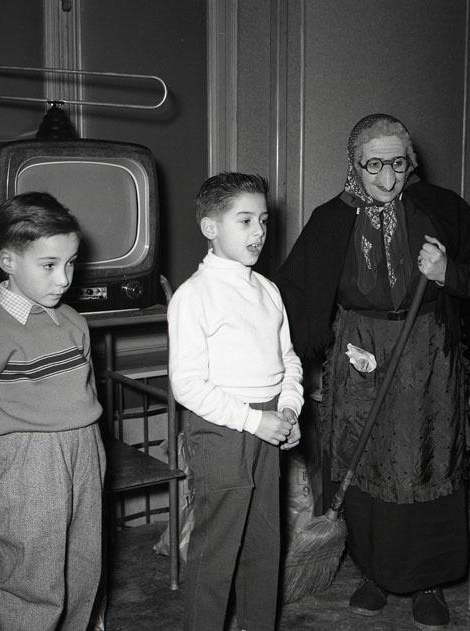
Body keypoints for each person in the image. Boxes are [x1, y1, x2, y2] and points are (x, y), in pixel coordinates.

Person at [274, 114, 470, 629]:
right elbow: (293, 293)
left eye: (397, 163)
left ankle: (429, 582)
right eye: (373, 165)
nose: (388, 178)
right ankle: (372, 573)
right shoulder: (331, 219)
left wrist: (447, 273)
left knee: (426, 461)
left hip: (427, 353)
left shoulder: (443, 209)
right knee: (363, 459)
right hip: (359, 352)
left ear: (410, 161)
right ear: (354, 164)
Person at [0, 191, 106, 631]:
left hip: (85, 452)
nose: (64, 279)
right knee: (33, 585)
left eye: (70, 263)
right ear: (8, 261)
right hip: (28, 464)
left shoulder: (73, 322)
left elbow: (83, 396)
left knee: (84, 572)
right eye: (49, 265)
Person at [168, 172, 304, 631]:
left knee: (265, 542)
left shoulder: (267, 290)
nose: (258, 232)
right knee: (217, 547)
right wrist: (254, 421)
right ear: (211, 227)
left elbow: (288, 359)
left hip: (268, 421)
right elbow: (187, 385)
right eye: (244, 221)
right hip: (222, 430)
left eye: (262, 220)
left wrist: (288, 408)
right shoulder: (193, 296)